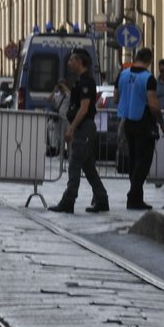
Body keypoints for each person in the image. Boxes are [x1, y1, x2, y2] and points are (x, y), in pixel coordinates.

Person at [50, 48, 107, 213]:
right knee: (88, 167)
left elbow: (84, 108)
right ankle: (102, 199)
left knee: (74, 165)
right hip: (81, 127)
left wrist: (72, 128)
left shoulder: (86, 82)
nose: (69, 63)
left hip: (84, 127)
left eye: (71, 60)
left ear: (79, 61)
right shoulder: (79, 81)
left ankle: (68, 202)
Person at [115, 46, 164, 211]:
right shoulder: (148, 78)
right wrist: (162, 124)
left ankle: (136, 198)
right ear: (149, 60)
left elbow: (116, 98)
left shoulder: (122, 74)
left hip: (128, 121)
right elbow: (153, 105)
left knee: (133, 161)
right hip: (144, 121)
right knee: (144, 161)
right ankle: (133, 197)